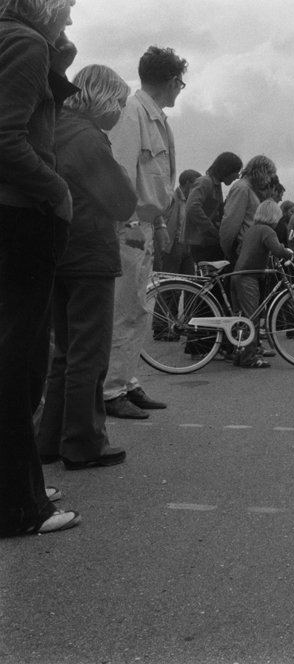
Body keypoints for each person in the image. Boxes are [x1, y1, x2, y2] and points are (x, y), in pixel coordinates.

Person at [0, 0, 82, 536]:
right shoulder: (25, 42)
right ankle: (18, 507)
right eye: (68, 7)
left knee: (18, 359)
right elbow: (6, 138)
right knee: (20, 363)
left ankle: (22, 483)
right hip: (22, 216)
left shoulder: (15, 39)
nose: (71, 18)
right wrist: (57, 190)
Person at [37, 64, 136, 470]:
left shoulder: (55, 127)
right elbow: (120, 201)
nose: (118, 112)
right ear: (104, 98)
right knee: (90, 354)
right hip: (89, 254)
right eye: (119, 103)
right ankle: (83, 441)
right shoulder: (88, 138)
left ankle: (51, 439)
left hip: (58, 253)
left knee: (64, 351)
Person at [103, 44, 188, 420]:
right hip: (128, 230)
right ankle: (110, 390)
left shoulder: (155, 119)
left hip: (145, 228)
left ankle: (127, 380)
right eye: (180, 82)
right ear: (171, 80)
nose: (181, 88)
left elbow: (153, 182)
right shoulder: (132, 114)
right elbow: (119, 174)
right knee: (124, 310)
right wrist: (136, 223)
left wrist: (158, 223)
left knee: (138, 309)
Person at [229, 200, 294, 368]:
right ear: (273, 216)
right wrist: (291, 255)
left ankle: (243, 351)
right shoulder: (267, 230)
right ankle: (249, 358)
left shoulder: (252, 229)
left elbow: (240, 251)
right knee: (252, 317)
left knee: (242, 317)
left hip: (238, 274)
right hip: (249, 277)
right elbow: (278, 250)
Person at [184, 151, 241, 264]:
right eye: (236, 172)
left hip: (207, 241)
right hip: (202, 242)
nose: (237, 176)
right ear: (227, 169)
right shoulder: (205, 182)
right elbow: (192, 207)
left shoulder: (216, 185)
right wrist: (212, 229)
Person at [219, 154, 276, 263]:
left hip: (246, 247)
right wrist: (228, 250)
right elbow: (230, 223)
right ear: (261, 172)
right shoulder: (243, 189)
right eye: (269, 175)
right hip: (240, 248)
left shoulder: (249, 189)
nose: (269, 181)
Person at [155, 168, 199, 274]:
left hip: (187, 244)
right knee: (170, 280)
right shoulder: (171, 198)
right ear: (188, 183)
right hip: (173, 244)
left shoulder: (190, 200)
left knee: (190, 281)